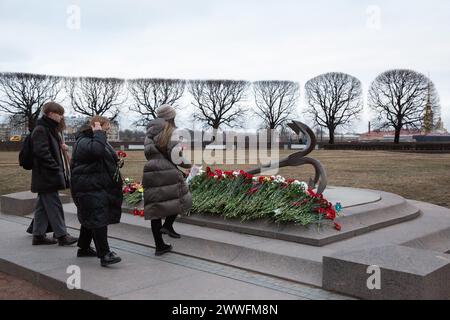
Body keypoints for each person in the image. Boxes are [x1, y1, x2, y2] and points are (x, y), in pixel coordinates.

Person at [70, 116, 123, 267]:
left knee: (92, 216)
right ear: (96, 126)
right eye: (106, 127)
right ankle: (105, 254)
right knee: (98, 218)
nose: (107, 130)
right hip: (88, 185)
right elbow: (97, 151)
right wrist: (99, 133)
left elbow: (102, 155)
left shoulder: (95, 140)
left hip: (95, 184)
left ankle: (84, 248)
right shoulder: (85, 141)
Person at [143, 104, 192, 256]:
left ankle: (160, 245)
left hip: (151, 170)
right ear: (171, 116)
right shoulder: (170, 132)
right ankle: (168, 225)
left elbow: (148, 152)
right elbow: (176, 156)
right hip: (167, 171)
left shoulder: (149, 133)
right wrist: (188, 164)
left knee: (155, 209)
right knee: (184, 198)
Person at [30, 102, 77, 246]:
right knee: (54, 205)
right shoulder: (42, 129)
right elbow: (41, 152)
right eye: (59, 113)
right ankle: (62, 235)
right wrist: (55, 167)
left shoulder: (48, 129)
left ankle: (38, 235)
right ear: (50, 114)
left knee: (42, 207)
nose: (61, 116)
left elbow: (45, 150)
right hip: (47, 175)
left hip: (46, 175)